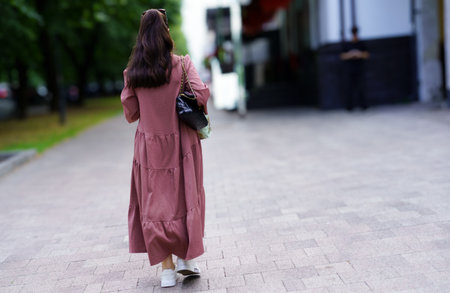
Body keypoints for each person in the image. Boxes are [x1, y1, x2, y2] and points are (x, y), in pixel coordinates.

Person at [120, 8, 210, 288]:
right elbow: (201, 94)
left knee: (155, 204)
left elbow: (131, 113)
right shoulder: (182, 64)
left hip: (149, 147)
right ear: (166, 32)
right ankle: (186, 259)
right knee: (186, 196)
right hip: (182, 142)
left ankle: (168, 269)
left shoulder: (133, 73)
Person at [340, 26, 370, 111]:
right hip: (350, 69)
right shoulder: (348, 44)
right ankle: (349, 107)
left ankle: (363, 106)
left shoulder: (361, 44)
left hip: (360, 69)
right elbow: (342, 56)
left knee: (361, 87)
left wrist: (359, 54)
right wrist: (350, 55)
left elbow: (366, 54)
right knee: (349, 88)